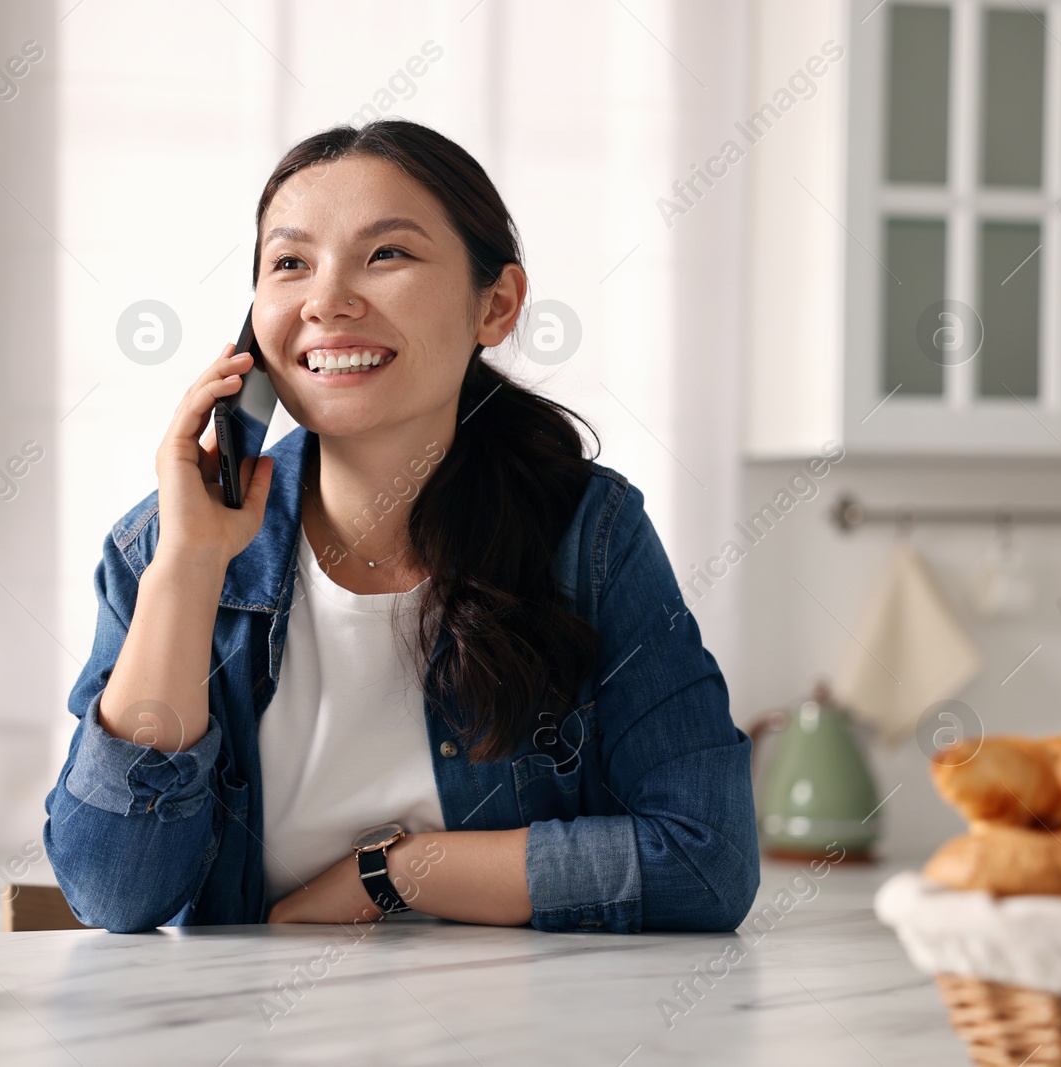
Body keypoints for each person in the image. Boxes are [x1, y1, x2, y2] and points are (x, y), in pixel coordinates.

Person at [44, 119, 758, 933]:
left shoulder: (589, 537)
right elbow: (114, 892)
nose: (327, 301)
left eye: (386, 254)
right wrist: (188, 568)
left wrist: (395, 873)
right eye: (290, 264)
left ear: (496, 305)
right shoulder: (161, 549)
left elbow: (709, 861)